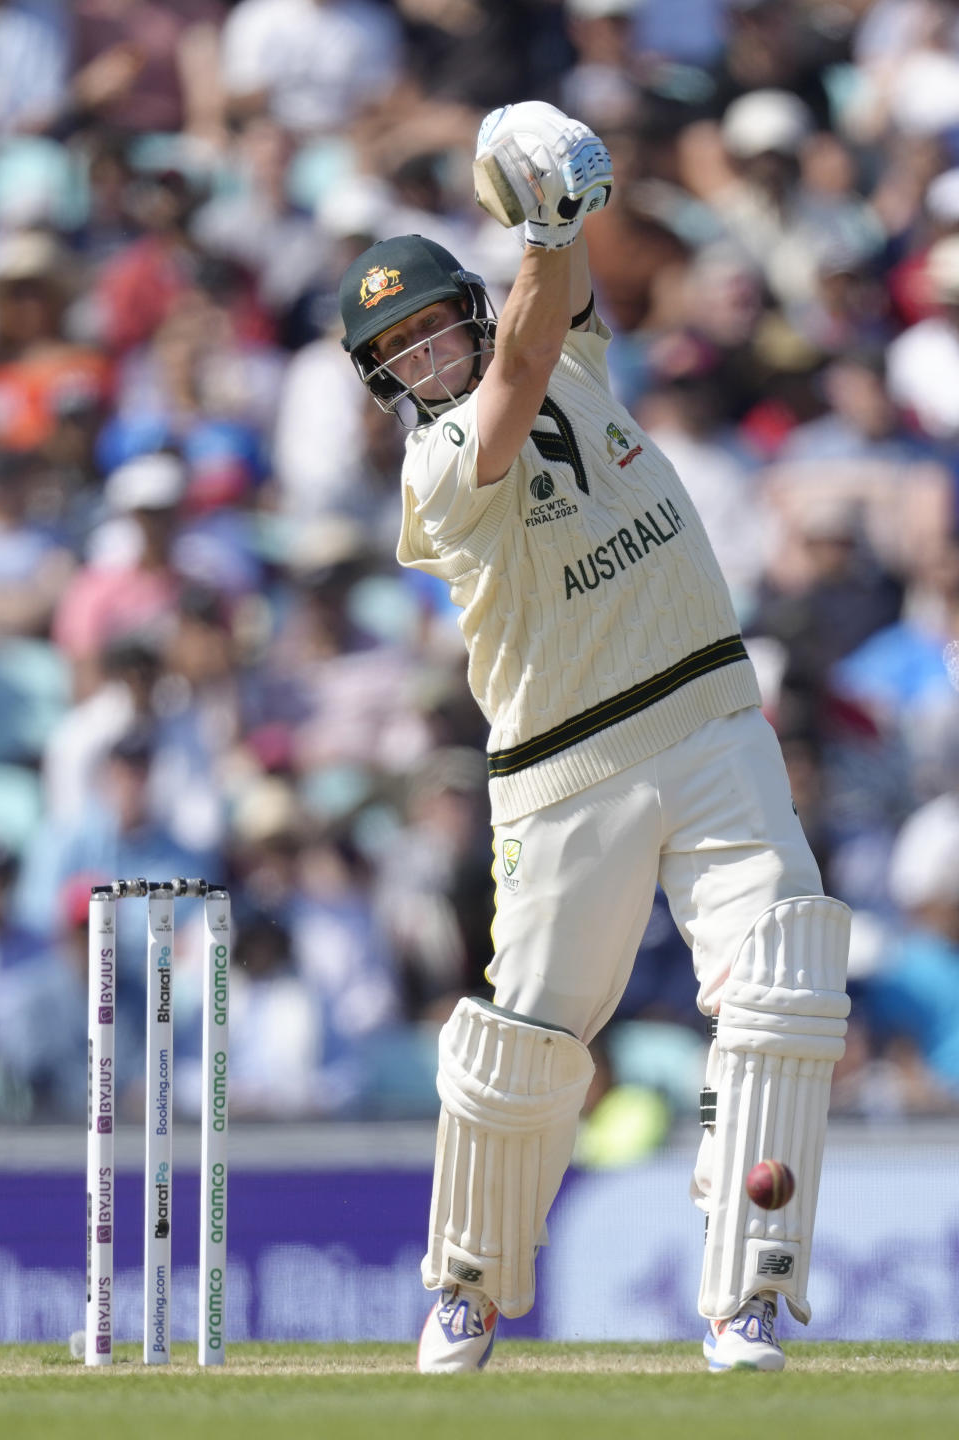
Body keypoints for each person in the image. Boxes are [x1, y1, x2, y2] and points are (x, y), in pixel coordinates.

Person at [337, 100, 851, 1375]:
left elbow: (550, 308)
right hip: (567, 768)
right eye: (393, 350)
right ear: (387, 381)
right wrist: (545, 230)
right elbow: (509, 376)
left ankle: (750, 1294)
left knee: (783, 979)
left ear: (465, 305)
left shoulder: (570, 351)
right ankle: (467, 1285)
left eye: (428, 324)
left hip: (709, 711)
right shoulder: (439, 470)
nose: (424, 357)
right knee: (528, 1044)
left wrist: (553, 219)